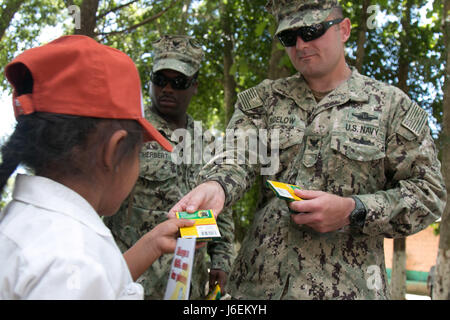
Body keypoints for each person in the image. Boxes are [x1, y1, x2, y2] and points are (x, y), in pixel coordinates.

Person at [169, 0, 446, 299]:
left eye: (311, 31)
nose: (300, 45)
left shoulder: (392, 107)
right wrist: (216, 186)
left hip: (349, 290)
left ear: (344, 29)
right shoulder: (264, 101)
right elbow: (236, 156)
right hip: (258, 291)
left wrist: (353, 210)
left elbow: (428, 194)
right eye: (289, 37)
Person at [0, 35, 197, 299]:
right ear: (115, 150)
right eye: (138, 152)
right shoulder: (75, 263)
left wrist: (151, 244)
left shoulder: (31, 228)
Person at [104, 35, 235, 299]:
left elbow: (221, 208)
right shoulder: (128, 131)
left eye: (178, 82)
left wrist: (220, 260)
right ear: (149, 81)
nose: (167, 89)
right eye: (160, 80)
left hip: (188, 284)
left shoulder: (206, 140)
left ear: (194, 86)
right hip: (131, 281)